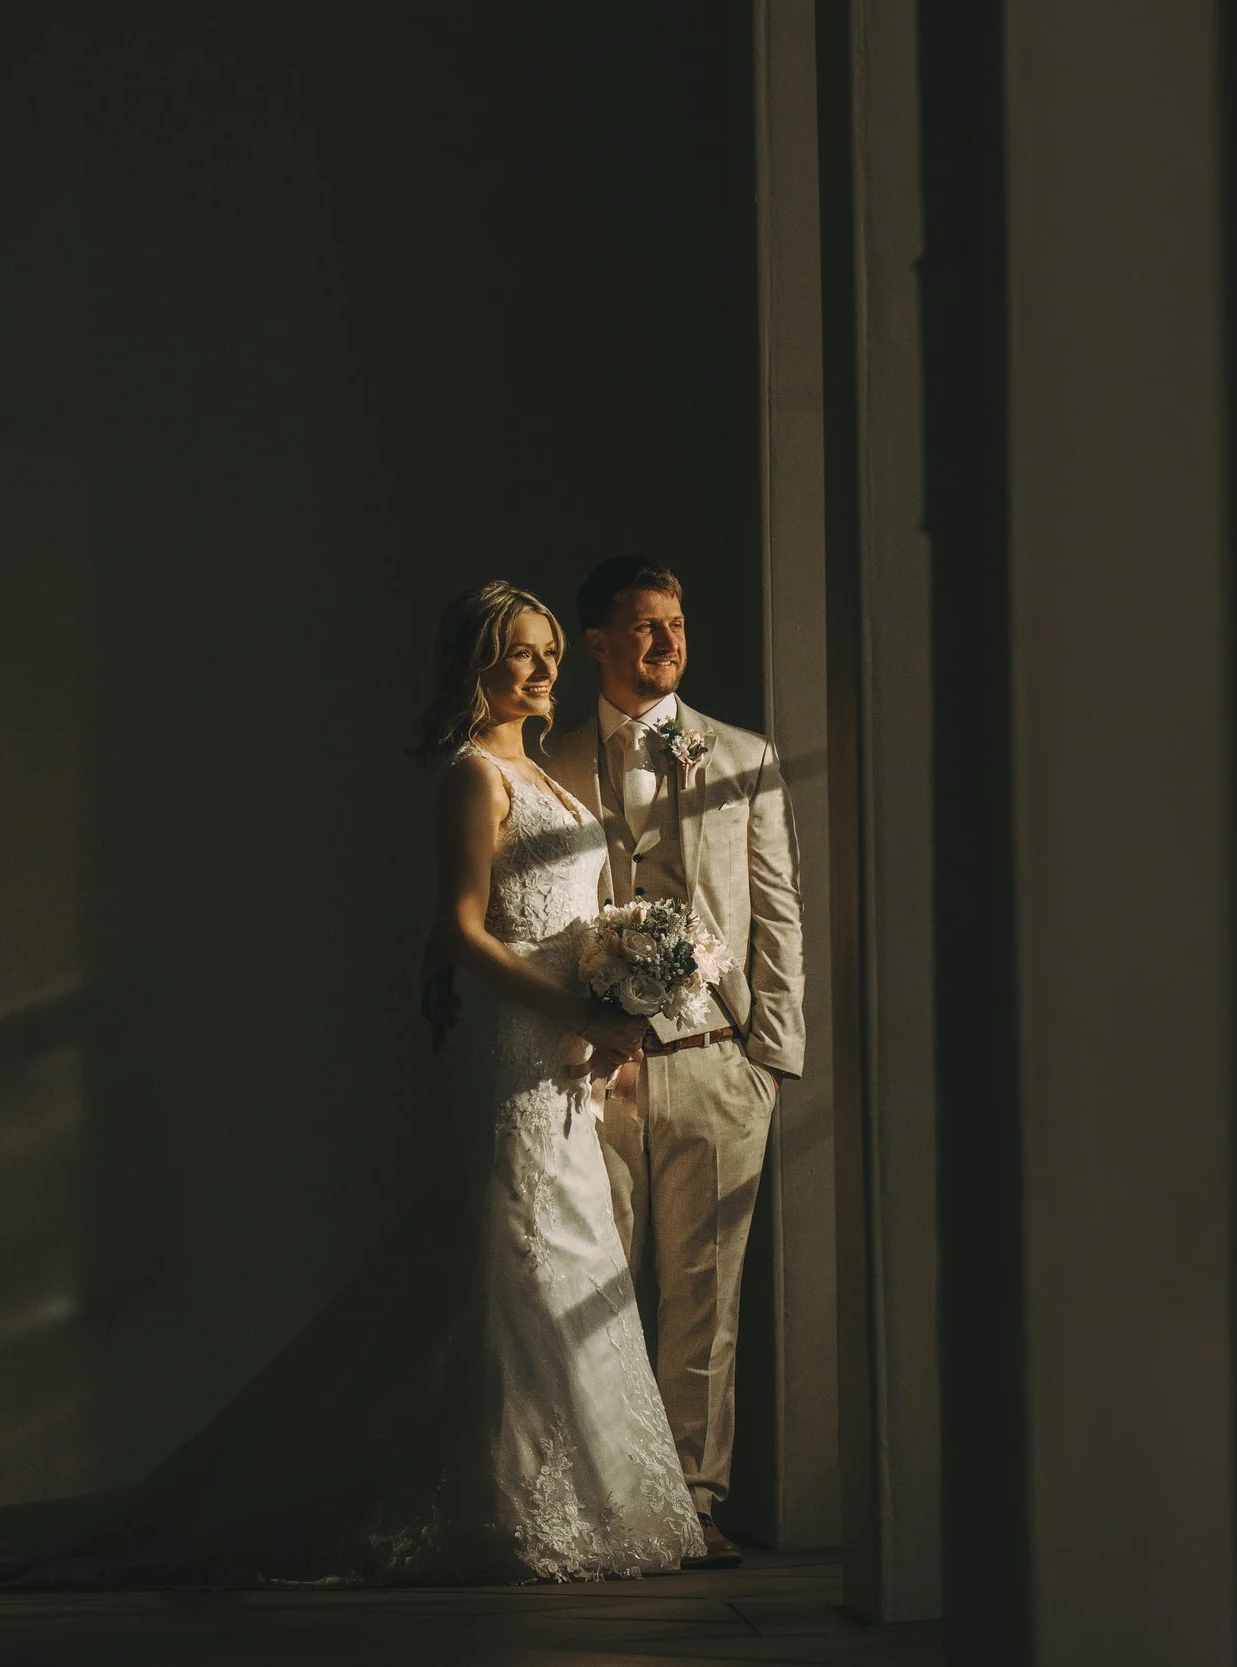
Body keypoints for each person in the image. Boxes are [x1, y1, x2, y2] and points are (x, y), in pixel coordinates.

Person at [0, 580, 701, 1589]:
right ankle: (511, 1504)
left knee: (546, 1260)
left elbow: (566, 922)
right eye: (521, 650)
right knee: (518, 1257)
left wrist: (615, 987)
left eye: (550, 650)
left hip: (565, 1060)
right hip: (514, 1057)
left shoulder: (547, 778)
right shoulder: (473, 777)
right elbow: (464, 933)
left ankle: (570, 1493)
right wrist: (580, 1010)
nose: (544, 666)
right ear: (478, 663)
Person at [544, 557, 805, 1569]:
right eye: (646, 625)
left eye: (677, 624)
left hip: (715, 1062)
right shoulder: (553, 757)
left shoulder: (742, 754)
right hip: (588, 1070)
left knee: (706, 1301)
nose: (668, 641)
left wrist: (769, 1057)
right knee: (592, 1293)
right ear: (598, 642)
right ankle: (607, 1503)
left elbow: (777, 909)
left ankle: (694, 1502)